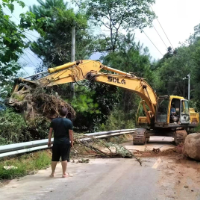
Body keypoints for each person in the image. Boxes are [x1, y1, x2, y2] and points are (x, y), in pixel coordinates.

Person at [48, 107, 73, 178]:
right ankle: (64, 174)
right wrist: (71, 142)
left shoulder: (54, 121)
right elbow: (70, 134)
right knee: (64, 158)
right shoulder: (69, 122)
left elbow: (50, 132)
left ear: (59, 113)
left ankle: (52, 173)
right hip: (65, 142)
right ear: (67, 113)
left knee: (54, 158)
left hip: (56, 142)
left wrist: (49, 141)